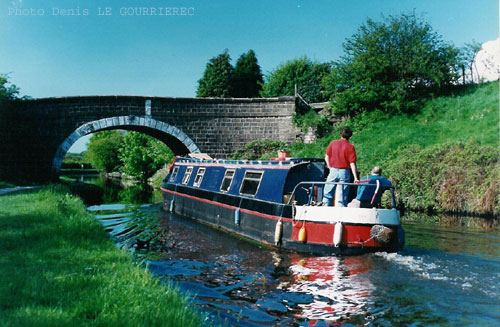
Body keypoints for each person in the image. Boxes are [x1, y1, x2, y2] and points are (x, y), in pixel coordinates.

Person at [322, 126, 359, 206]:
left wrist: (329, 167)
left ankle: (324, 211)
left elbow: (326, 157)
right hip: (344, 172)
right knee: (342, 196)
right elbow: (352, 163)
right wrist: (355, 177)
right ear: (350, 136)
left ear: (340, 134)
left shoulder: (333, 143)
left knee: (327, 194)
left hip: (333, 171)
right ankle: (341, 215)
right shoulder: (350, 147)